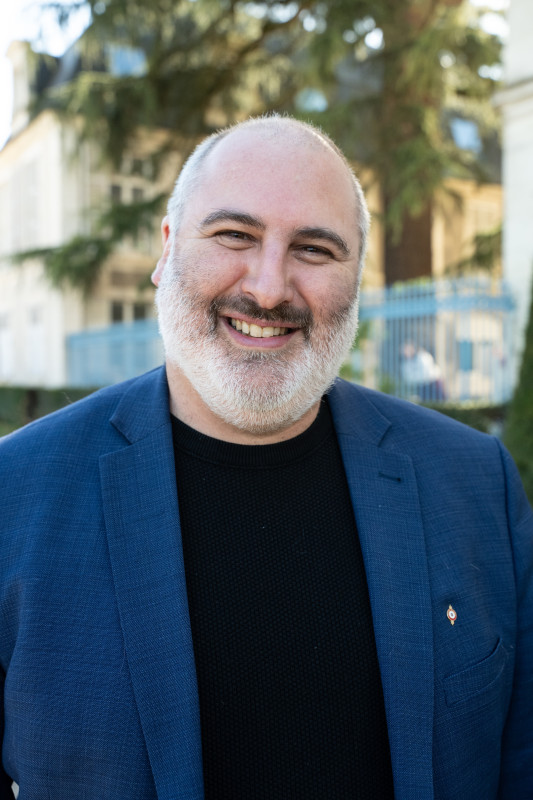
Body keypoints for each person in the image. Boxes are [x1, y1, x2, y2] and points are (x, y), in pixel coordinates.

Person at [0, 116, 531, 800]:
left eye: (314, 248)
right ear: (167, 249)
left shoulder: (474, 484)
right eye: (234, 235)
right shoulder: (16, 494)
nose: (270, 287)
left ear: (356, 281)